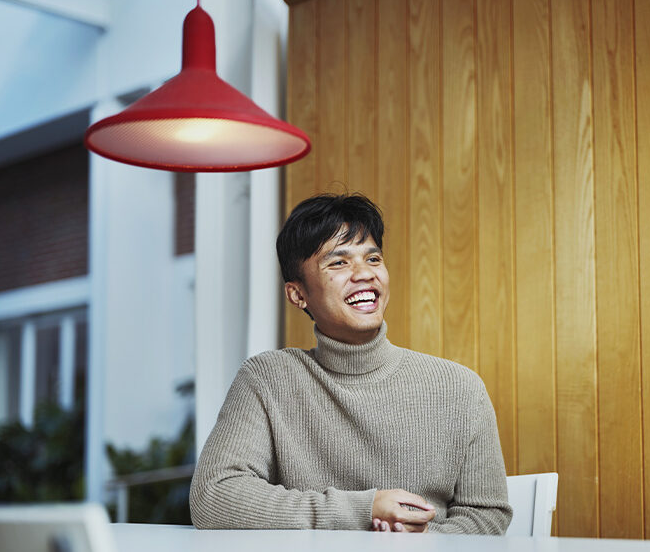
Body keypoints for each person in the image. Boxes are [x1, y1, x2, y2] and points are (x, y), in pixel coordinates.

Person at [189, 193, 512, 534]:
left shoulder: (460, 387)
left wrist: (424, 538)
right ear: (297, 294)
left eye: (373, 259)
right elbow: (214, 496)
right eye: (339, 263)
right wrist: (362, 510)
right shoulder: (267, 380)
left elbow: (488, 516)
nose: (364, 274)